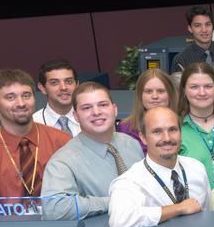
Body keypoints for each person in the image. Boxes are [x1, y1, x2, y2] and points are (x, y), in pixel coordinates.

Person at [0, 69, 71, 199]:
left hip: (61, 218)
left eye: (26, 95)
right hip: (7, 219)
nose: (21, 103)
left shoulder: (63, 142)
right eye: (10, 97)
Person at [41, 82, 143, 219]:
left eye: (103, 105)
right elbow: (54, 209)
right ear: (76, 116)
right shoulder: (62, 162)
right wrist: (113, 201)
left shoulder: (131, 144)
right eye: (87, 108)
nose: (96, 112)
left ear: (115, 109)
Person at [108, 106, 209, 227]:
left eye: (172, 130)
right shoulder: (131, 181)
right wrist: (178, 208)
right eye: (157, 132)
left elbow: (207, 214)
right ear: (143, 138)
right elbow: (120, 220)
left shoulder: (197, 168)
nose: (167, 138)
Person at [118, 68, 176, 151]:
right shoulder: (125, 128)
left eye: (160, 91)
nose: (155, 96)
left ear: (170, 94)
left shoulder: (183, 124)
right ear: (140, 95)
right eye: (148, 91)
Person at [173, 6, 214, 76]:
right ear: (190, 28)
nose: (204, 30)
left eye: (208, 24)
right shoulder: (181, 59)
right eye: (198, 25)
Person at [33, 59, 78, 136]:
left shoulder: (91, 118)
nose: (63, 87)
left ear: (77, 85)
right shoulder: (33, 124)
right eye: (54, 83)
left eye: (69, 81)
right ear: (42, 88)